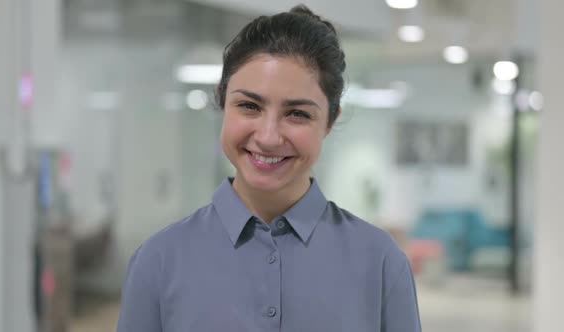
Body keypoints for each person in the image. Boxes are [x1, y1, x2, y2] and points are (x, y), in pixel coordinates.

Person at [117, 5, 421, 332]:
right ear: (222, 102)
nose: (268, 137)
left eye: (297, 114)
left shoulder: (381, 262)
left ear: (330, 121)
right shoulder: (159, 261)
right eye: (249, 106)